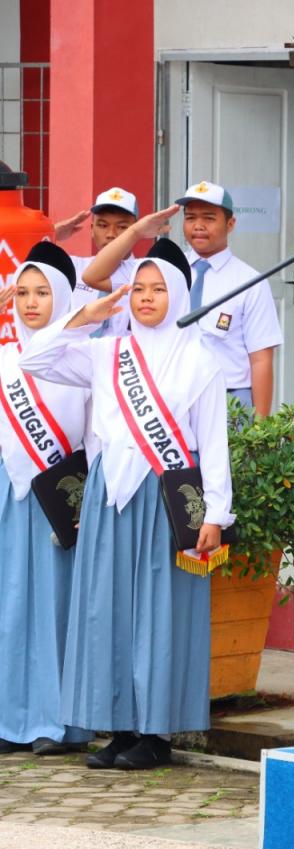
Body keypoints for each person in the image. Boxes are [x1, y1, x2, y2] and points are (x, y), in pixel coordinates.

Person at [20, 237, 233, 771]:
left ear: (179, 296)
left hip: (163, 502)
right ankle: (117, 728)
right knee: (106, 612)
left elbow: (214, 443)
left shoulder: (199, 360)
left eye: (158, 289)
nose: (145, 298)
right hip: (108, 499)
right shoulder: (107, 351)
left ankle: (155, 735)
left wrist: (216, 514)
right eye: (138, 288)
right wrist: (82, 315)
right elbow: (33, 358)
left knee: (159, 617)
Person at [0, 242, 94, 757]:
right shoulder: (4, 357)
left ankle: (56, 723)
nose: (31, 302)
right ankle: (9, 719)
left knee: (57, 608)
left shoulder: (82, 356)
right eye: (23, 292)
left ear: (62, 297)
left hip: (60, 494)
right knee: (9, 605)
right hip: (9, 493)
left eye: (42, 292)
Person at [83, 182, 281, 417]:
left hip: (227, 400)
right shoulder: (164, 268)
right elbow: (93, 276)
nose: (198, 226)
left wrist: (260, 428)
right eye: (190, 218)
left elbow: (260, 360)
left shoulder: (250, 281)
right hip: (169, 397)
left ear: (230, 224)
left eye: (208, 218)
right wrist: (134, 233)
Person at [53, 187, 142, 337]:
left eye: (121, 227)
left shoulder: (146, 272)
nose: (111, 234)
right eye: (102, 225)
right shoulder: (73, 267)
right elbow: (20, 264)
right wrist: (52, 234)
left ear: (137, 230)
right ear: (92, 229)